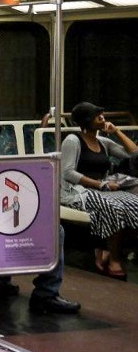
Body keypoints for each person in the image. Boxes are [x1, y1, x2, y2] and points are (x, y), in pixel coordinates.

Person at [60, 101, 138, 280]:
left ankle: (106, 248)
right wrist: (100, 185)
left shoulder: (102, 142)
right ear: (86, 120)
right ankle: (115, 260)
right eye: (97, 116)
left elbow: (133, 154)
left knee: (134, 205)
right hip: (78, 191)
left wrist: (117, 131)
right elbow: (68, 172)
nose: (102, 118)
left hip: (102, 188)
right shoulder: (73, 140)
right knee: (114, 207)